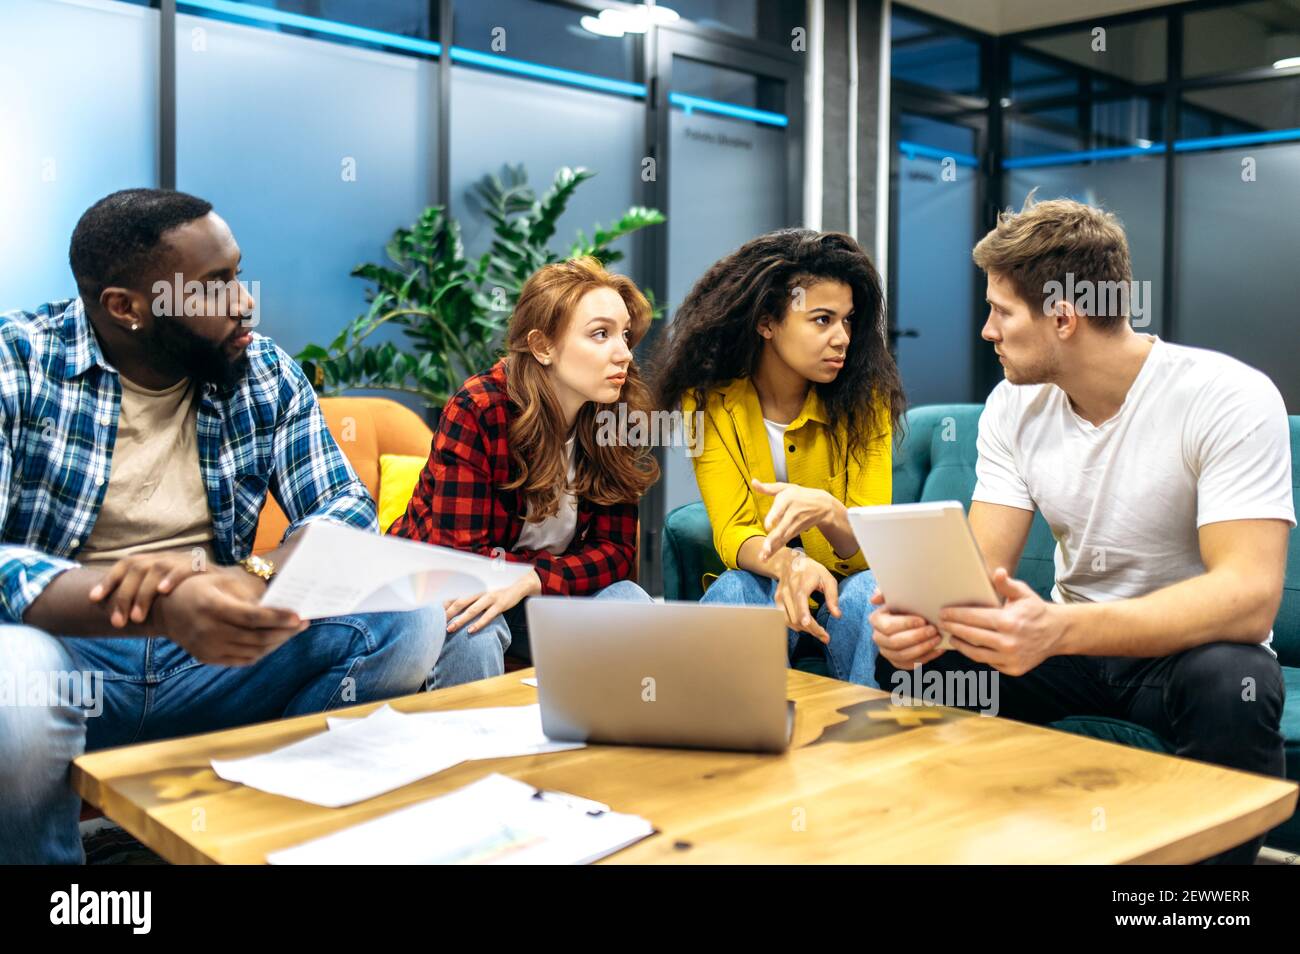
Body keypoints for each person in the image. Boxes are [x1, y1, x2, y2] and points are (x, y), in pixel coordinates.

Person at [0, 189, 443, 864]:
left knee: (408, 616)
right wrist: (156, 607)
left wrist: (250, 578)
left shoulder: (260, 368)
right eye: (215, 287)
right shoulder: (19, 366)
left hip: (216, 659)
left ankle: (257, 834)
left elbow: (343, 511)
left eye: (238, 275)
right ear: (127, 307)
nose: (245, 302)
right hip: (69, 658)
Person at [870, 195, 1293, 864]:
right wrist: (923, 627)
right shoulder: (1013, 406)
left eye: (1000, 312)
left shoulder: (1227, 397)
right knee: (932, 666)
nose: (987, 330)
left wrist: (1058, 630)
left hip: (1179, 653)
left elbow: (1248, 596)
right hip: (1068, 651)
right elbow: (979, 574)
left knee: (1235, 682)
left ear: (1063, 316)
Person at [653, 229, 904, 686]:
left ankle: (869, 746)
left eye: (848, 321)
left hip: (844, 593)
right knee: (734, 590)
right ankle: (731, 741)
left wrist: (828, 513)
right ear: (767, 322)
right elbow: (733, 531)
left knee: (873, 595)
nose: (842, 338)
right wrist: (790, 565)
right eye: (822, 320)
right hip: (763, 585)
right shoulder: (708, 402)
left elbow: (872, 548)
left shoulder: (868, 402)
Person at [389, 257, 658, 682]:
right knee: (474, 626)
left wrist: (534, 577)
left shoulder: (614, 413)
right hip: (446, 594)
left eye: (625, 335)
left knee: (631, 601)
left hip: (538, 594)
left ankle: (604, 739)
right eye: (601, 334)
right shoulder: (481, 407)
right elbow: (464, 562)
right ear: (542, 346)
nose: (624, 353)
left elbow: (617, 553)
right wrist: (528, 575)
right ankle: (470, 748)